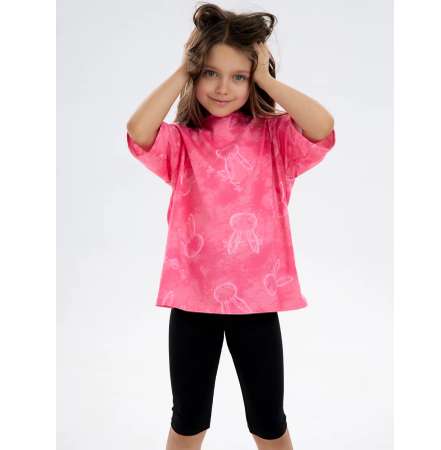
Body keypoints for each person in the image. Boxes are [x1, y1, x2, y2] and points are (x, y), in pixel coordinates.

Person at [126, 3, 336, 450]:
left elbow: (322, 128)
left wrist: (267, 80)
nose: (223, 87)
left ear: (253, 77)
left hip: (257, 303)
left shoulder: (276, 137)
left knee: (268, 420)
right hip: (193, 300)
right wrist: (183, 69)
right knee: (188, 419)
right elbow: (139, 131)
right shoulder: (183, 142)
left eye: (238, 76)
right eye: (211, 73)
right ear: (196, 74)